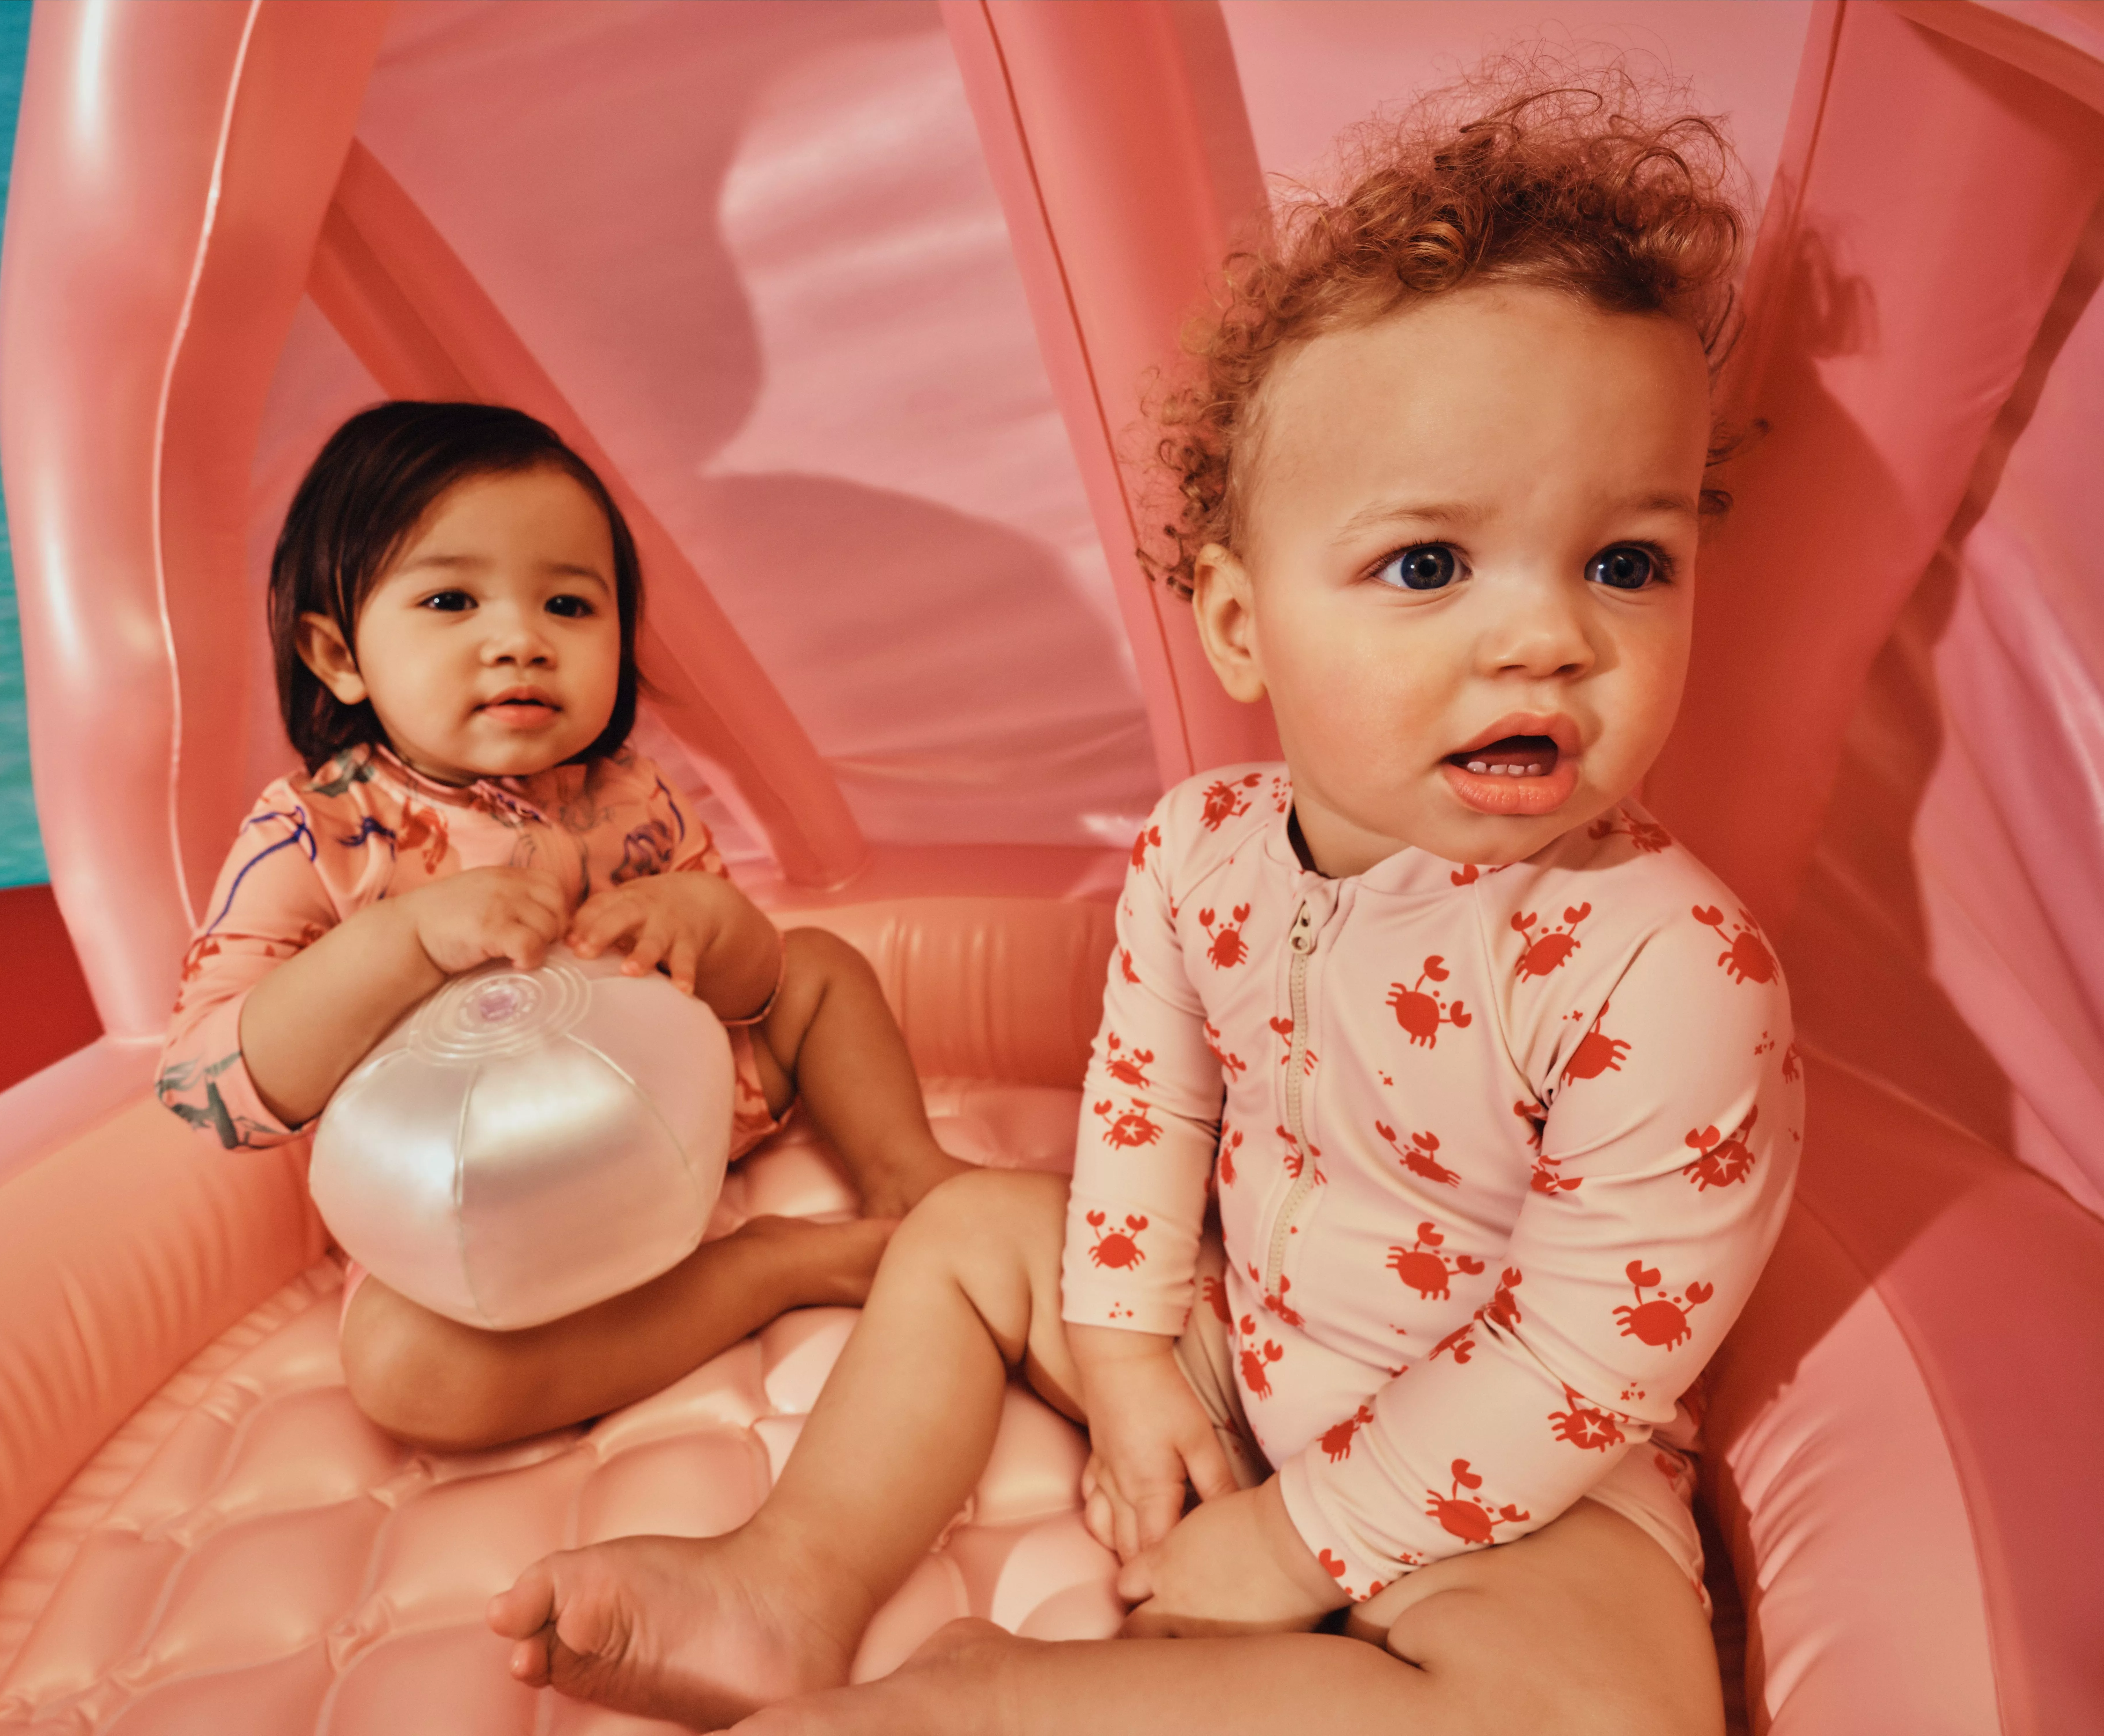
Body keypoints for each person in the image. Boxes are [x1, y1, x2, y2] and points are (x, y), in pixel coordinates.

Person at [486, 71, 1800, 1736]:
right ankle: (783, 1585)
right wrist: (1121, 1356)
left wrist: (1296, 1541)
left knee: (1606, 1711)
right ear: (1242, 628)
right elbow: (1147, 1094)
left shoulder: (1669, 966)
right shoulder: (1203, 850)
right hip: (1228, 1338)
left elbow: (1591, 1355)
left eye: (1628, 561)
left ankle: (994, 1699)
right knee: (969, 1231)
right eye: (1428, 568)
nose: (1546, 638)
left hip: (1507, 1484)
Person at [155, 401, 966, 1452]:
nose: (520, 641)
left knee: (822, 967)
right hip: (487, 1209)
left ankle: (908, 1170)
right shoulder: (315, 835)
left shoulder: (630, 793)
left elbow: (754, 988)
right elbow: (201, 1092)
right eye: (452, 598)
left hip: (688, 1124)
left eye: (570, 606)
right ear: (337, 653)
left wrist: (705, 923)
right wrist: (400, 943)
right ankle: (769, 1270)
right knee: (410, 1375)